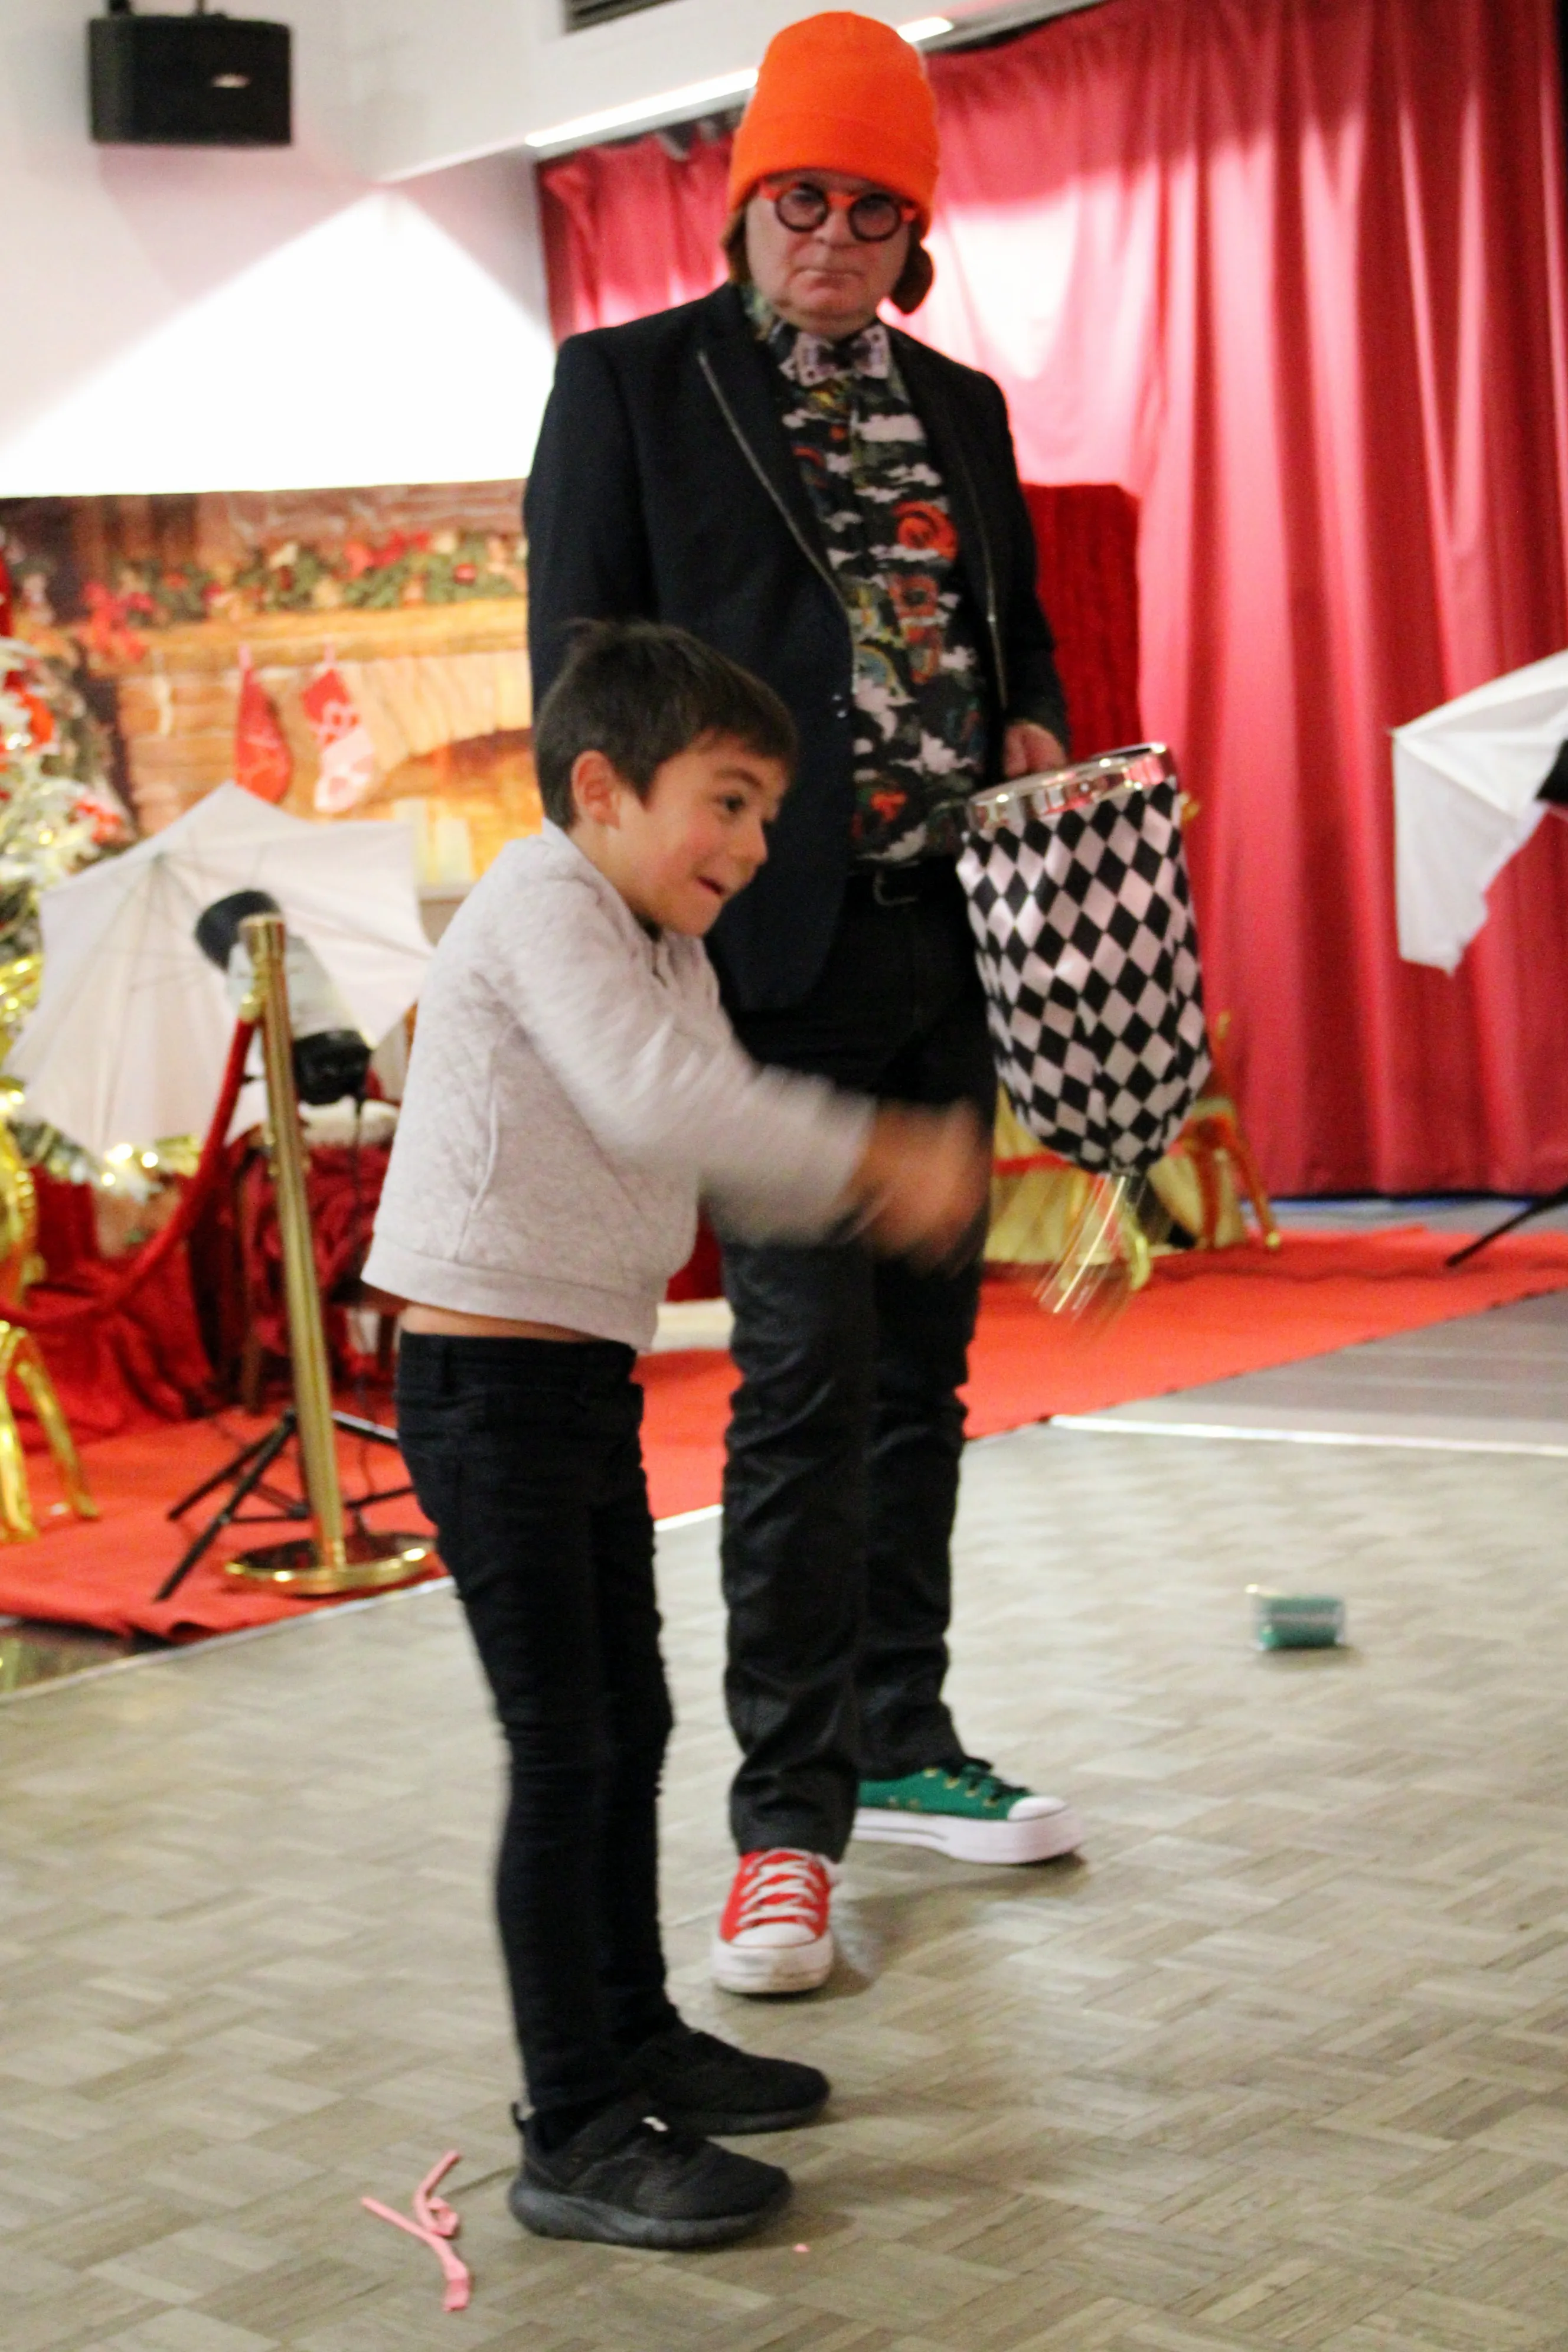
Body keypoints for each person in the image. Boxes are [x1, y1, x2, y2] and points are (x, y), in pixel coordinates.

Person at [525, 9, 1085, 2001]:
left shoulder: (961, 406)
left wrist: (1035, 726)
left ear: (911, 230)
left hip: (957, 946)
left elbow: (1028, 645)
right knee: (799, 1388)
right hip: (766, 958)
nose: (832, 236)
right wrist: (656, 925)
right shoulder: (630, 387)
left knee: (926, 1382)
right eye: (800, 200)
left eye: (871, 207)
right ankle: (785, 1834)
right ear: (743, 203)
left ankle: (904, 1732)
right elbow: (578, 705)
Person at [365, 622, 986, 2250]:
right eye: (728, 800)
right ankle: (572, 2125)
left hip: (572, 1382)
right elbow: (659, 1104)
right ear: (602, 785)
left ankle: (634, 2036)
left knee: (626, 1724)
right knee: (566, 1751)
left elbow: (710, 1128)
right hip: (485, 1392)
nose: (756, 845)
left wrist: (873, 1185)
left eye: (770, 813)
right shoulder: (543, 900)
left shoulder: (656, 935)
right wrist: (879, 1152)